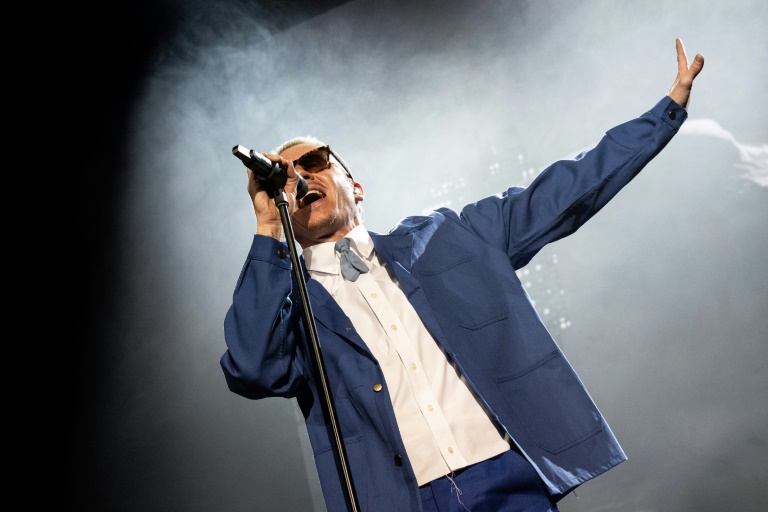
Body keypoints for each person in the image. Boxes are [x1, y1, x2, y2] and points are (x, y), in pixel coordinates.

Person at [221, 38, 704, 512]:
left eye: (315, 162)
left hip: (507, 479)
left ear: (356, 186)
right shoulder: (294, 311)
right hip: (402, 500)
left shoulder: (446, 235)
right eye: (288, 174)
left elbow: (562, 192)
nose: (302, 177)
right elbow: (251, 369)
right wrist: (268, 226)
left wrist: (663, 115)